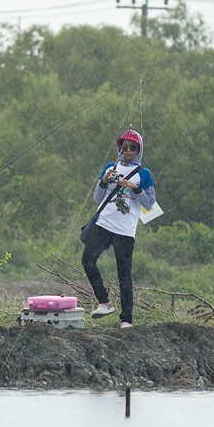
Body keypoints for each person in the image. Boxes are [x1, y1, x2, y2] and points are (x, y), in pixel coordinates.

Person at [83, 129, 155, 328]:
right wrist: (104, 180)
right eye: (124, 147)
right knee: (88, 260)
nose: (128, 151)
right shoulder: (110, 167)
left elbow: (149, 203)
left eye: (133, 147)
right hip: (103, 224)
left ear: (139, 150)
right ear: (120, 149)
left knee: (124, 274)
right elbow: (97, 198)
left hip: (125, 231)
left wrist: (134, 187)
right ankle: (104, 302)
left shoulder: (144, 173)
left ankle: (126, 319)